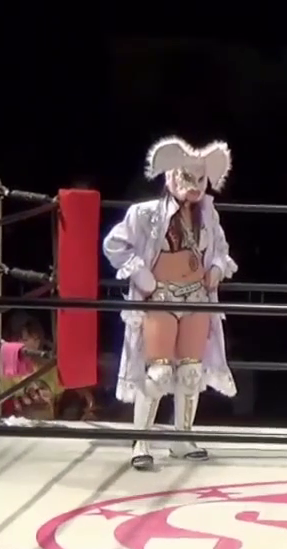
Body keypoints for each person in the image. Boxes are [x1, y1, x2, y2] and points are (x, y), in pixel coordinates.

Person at [103, 136, 238, 472]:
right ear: (172, 176)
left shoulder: (208, 214)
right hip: (161, 296)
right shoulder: (145, 213)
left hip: (196, 296)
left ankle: (182, 437)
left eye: (200, 179)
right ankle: (141, 440)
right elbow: (114, 244)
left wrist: (217, 268)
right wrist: (141, 275)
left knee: (191, 371)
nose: (194, 186)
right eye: (188, 177)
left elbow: (220, 250)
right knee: (159, 371)